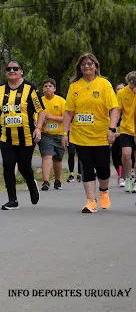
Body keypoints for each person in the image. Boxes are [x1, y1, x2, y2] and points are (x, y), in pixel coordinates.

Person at [61, 53, 119, 213]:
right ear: (79, 68)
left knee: (103, 168)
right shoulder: (74, 86)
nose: (86, 66)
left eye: (90, 63)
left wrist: (112, 128)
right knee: (86, 167)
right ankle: (91, 201)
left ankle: (104, 191)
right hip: (80, 135)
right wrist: (64, 133)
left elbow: (114, 109)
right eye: (83, 64)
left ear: (95, 66)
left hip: (101, 134)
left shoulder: (104, 84)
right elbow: (68, 112)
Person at [0, 60, 45, 210]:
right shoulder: (0, 90)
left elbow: (41, 111)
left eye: (15, 68)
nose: (11, 71)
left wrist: (38, 128)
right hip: (5, 136)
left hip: (26, 135)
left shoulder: (30, 88)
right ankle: (12, 200)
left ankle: (31, 184)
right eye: (9, 68)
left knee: (24, 166)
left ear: (21, 72)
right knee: (8, 165)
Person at [38, 78, 66, 190]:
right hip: (45, 134)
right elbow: (35, 117)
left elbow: (66, 118)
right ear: (43, 89)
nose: (48, 88)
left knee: (58, 159)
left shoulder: (61, 101)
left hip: (59, 134)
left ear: (54, 88)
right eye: (45, 86)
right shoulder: (39, 101)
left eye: (50, 86)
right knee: (47, 156)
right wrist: (40, 121)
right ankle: (45, 181)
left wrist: (51, 117)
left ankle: (57, 181)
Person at [117, 73, 136, 192]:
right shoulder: (122, 93)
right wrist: (112, 127)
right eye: (131, 84)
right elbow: (118, 110)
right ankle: (128, 178)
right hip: (126, 129)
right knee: (126, 154)